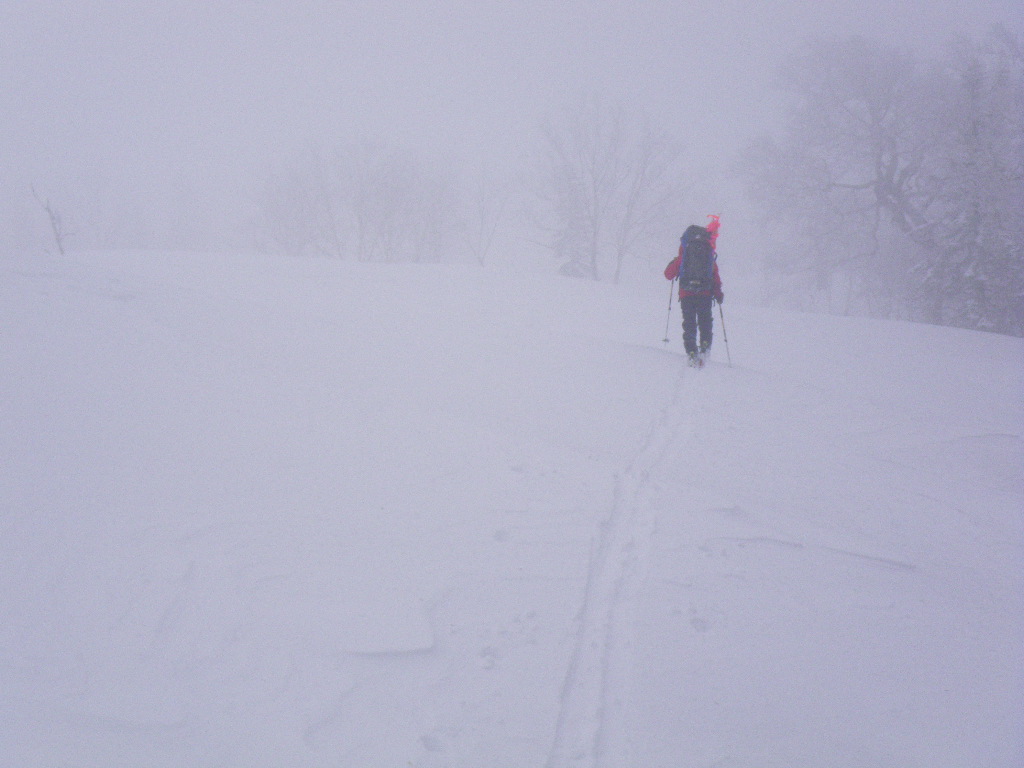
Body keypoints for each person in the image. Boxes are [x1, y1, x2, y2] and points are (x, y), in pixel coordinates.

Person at [664, 221, 724, 366]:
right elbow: (714, 274)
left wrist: (674, 263)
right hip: (705, 293)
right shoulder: (708, 253)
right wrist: (718, 293)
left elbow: (668, 274)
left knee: (689, 323)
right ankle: (705, 347)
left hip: (687, 293)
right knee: (705, 322)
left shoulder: (684, 255)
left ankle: (691, 351)